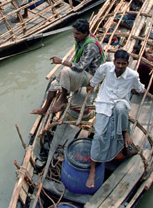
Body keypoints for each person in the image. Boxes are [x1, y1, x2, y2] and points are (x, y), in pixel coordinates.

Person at [85, 49, 144, 189]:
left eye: (123, 64)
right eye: (118, 63)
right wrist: (92, 85)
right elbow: (98, 75)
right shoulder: (106, 67)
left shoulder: (132, 75)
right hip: (104, 103)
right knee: (99, 136)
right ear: (114, 62)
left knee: (121, 108)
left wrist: (137, 89)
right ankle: (92, 169)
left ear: (127, 63)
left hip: (119, 103)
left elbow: (140, 88)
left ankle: (125, 134)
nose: (120, 66)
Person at [31, 18, 103, 115]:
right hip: (82, 72)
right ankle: (44, 110)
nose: (74, 36)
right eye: (74, 33)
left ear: (85, 33)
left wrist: (62, 61)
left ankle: (63, 98)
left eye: (77, 34)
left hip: (91, 75)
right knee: (53, 84)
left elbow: (81, 67)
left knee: (65, 71)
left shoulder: (90, 46)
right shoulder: (81, 40)